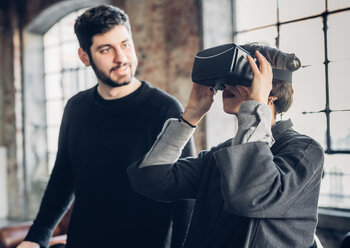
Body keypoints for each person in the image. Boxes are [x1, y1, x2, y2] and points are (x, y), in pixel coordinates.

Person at [18, 4, 195, 248]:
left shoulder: (165, 109)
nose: (121, 57)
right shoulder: (76, 108)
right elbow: (62, 179)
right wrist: (37, 236)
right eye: (106, 49)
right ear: (84, 57)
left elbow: (184, 196)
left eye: (125, 44)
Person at [127, 43, 325, 247]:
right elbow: (152, 181)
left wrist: (257, 104)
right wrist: (191, 115)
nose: (227, 85)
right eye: (227, 78)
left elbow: (252, 195)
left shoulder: (305, 151)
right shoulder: (222, 154)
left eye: (244, 74)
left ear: (272, 89)